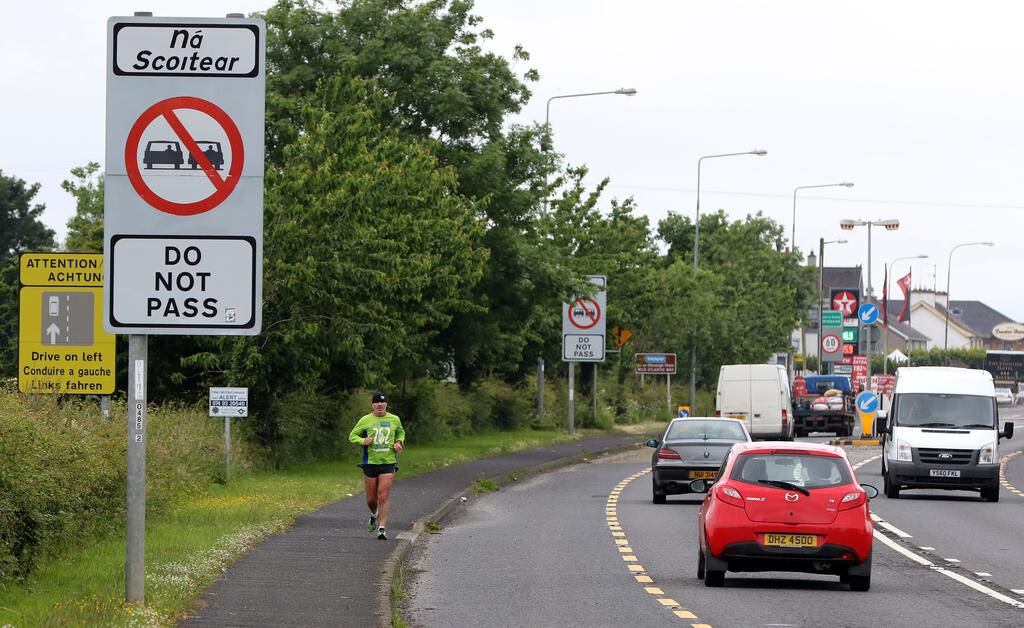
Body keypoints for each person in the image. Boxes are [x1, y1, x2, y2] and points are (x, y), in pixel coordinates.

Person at [349, 391, 405, 540]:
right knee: (371, 500)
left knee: (383, 496)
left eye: (382, 402)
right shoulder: (365, 420)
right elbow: (352, 436)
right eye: (376, 403)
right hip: (370, 463)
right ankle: (374, 514)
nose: (379, 405)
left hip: (388, 462)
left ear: (386, 404)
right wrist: (363, 441)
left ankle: (382, 528)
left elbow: (401, 433)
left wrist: (399, 443)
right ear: (373, 405)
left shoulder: (394, 419)